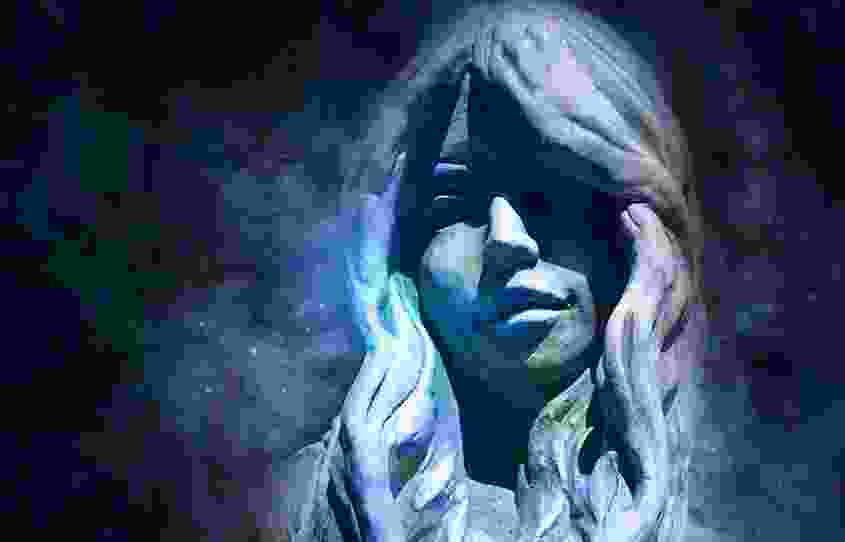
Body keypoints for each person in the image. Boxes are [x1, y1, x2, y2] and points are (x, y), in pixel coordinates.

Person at [270, 2, 707, 541]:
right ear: (396, 250)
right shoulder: (293, 512)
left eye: (555, 195)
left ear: (637, 241)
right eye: (455, 203)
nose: (507, 240)